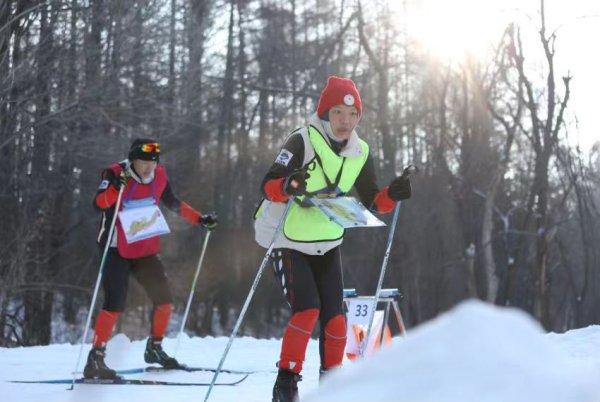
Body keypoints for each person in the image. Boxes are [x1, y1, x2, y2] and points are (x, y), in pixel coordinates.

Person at [254, 76, 412, 402]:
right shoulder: (302, 140)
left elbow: (372, 201)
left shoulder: (360, 151)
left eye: (353, 116)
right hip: (287, 237)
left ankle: (332, 386)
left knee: (336, 318)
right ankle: (286, 385)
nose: (345, 122)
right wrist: (288, 186)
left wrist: (392, 194)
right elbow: (269, 184)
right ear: (326, 112)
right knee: (307, 310)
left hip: (326, 238)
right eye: (338, 113)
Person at [84, 138, 218, 379]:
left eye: (152, 163)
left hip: (144, 247)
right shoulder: (115, 173)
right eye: (143, 162)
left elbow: (173, 203)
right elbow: (98, 204)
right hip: (115, 248)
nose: (148, 168)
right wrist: (115, 187)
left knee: (165, 301)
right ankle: (96, 358)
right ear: (133, 159)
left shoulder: (159, 176)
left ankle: (154, 349)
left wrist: (200, 219)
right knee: (114, 303)